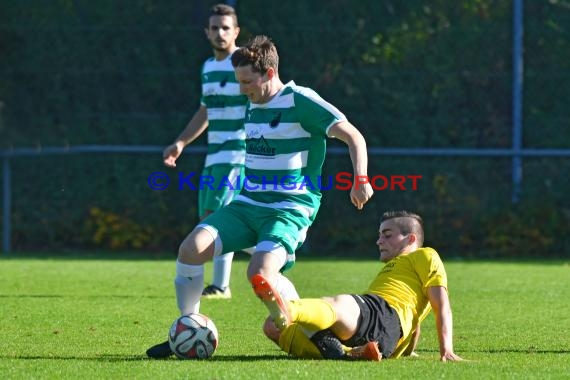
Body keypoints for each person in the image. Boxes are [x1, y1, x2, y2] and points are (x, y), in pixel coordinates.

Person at [146, 34, 374, 359]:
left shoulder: (301, 100)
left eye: (247, 82)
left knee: (260, 274)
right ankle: (187, 327)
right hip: (247, 204)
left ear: (269, 73)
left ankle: (317, 336)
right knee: (190, 249)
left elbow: (354, 136)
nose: (242, 90)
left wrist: (360, 180)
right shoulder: (254, 100)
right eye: (239, 82)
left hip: (289, 209)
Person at [253, 211, 463, 362]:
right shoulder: (396, 269)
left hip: (382, 313)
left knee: (336, 303)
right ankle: (347, 352)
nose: (379, 241)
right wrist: (407, 351)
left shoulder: (425, 254)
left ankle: (289, 308)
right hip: (382, 335)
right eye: (380, 235)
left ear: (411, 239)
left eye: (387, 235)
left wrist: (447, 349)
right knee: (272, 328)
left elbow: (440, 304)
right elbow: (415, 316)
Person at [162, 4, 247, 300]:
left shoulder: (245, 64)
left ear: (236, 31)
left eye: (226, 28)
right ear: (206, 32)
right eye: (214, 28)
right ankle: (273, 244)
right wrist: (182, 142)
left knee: (215, 218)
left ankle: (221, 285)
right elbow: (204, 111)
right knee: (210, 221)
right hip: (214, 155)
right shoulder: (208, 67)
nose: (220, 33)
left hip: (238, 153)